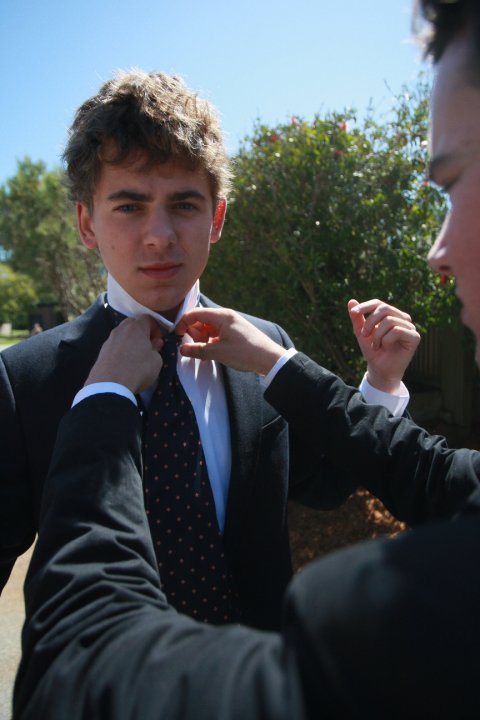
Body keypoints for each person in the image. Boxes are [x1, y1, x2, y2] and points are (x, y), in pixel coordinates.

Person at [0, 70, 417, 629]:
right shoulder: (24, 380)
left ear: (216, 218)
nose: (160, 235)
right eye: (129, 206)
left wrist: (381, 383)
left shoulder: (266, 347)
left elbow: (323, 484)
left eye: (184, 205)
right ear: (86, 223)